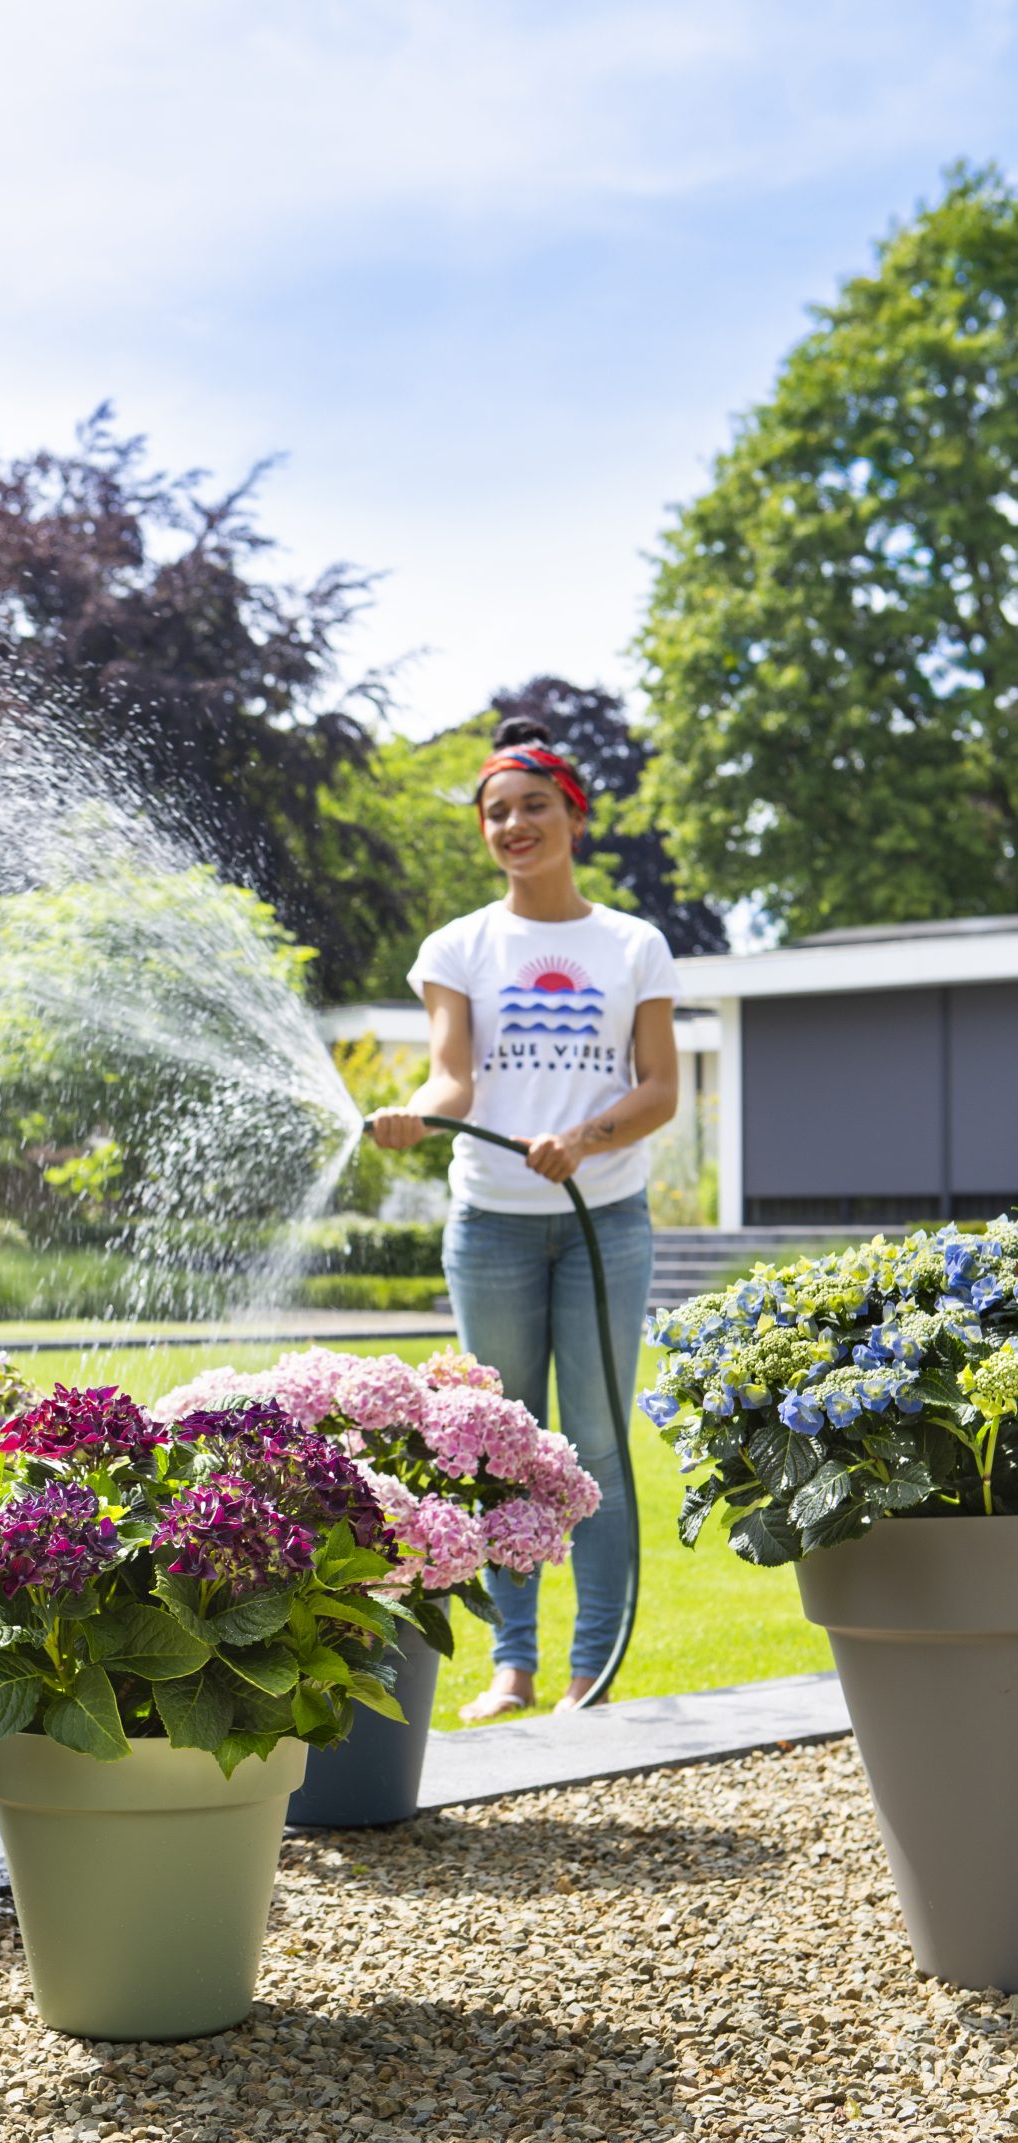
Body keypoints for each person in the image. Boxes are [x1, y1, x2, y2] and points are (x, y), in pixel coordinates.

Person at [371, 716, 679, 1717]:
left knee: (591, 1440)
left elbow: (660, 1089)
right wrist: (418, 1115)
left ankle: (590, 1667)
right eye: (495, 812)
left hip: (607, 1221)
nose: (514, 825)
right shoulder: (459, 944)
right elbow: (453, 1077)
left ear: (572, 816)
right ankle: (512, 1663)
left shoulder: (632, 943)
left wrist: (583, 1142)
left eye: (532, 806)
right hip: (492, 1226)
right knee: (504, 1442)